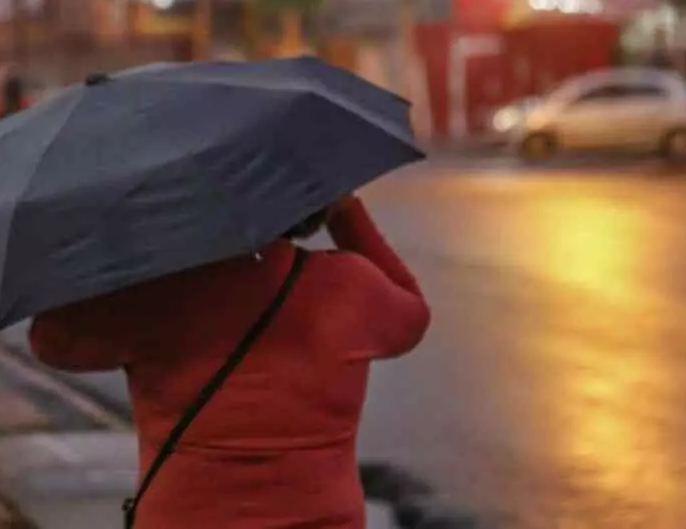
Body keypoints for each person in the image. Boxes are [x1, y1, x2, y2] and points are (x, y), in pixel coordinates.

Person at [28, 194, 430, 529]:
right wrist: (345, 210)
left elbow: (51, 340)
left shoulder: (154, 296)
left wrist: (109, 236)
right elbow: (413, 315)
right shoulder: (348, 287)